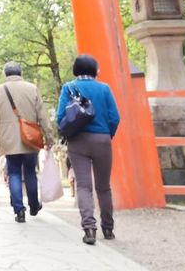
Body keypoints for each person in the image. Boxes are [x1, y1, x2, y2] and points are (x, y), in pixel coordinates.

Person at [56, 54, 120, 246]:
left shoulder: (68, 88)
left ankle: (89, 228)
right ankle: (108, 228)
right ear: (94, 70)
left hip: (77, 141)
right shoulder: (104, 88)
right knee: (104, 186)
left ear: (76, 69)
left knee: (83, 186)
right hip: (102, 140)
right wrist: (107, 135)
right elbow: (114, 117)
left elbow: (60, 117)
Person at [0, 61, 54, 223]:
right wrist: (49, 136)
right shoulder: (32, 89)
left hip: (8, 139)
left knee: (14, 172)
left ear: (6, 74)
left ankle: (19, 210)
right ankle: (33, 205)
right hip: (30, 137)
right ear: (20, 73)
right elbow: (42, 116)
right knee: (30, 172)